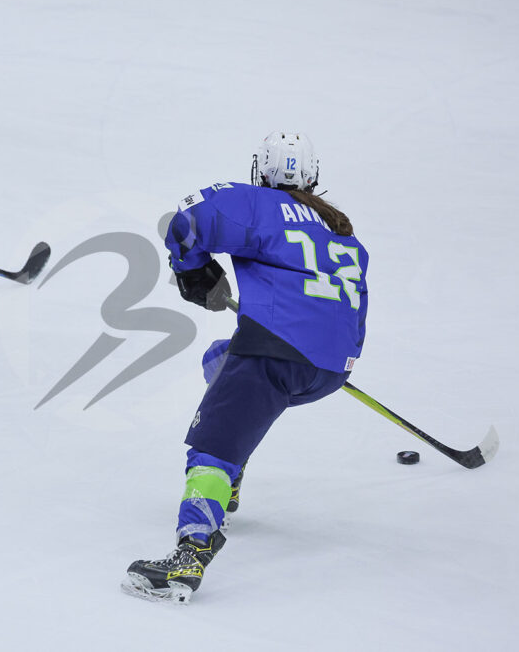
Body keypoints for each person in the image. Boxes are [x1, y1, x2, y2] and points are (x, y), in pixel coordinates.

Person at [122, 131, 370, 603]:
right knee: (219, 360)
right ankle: (230, 478)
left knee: (212, 447)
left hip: (272, 354)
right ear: (313, 176)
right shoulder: (343, 231)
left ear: (262, 170)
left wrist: (193, 271)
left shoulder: (255, 203)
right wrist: (327, 359)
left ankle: (191, 553)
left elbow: (186, 221)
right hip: (331, 368)